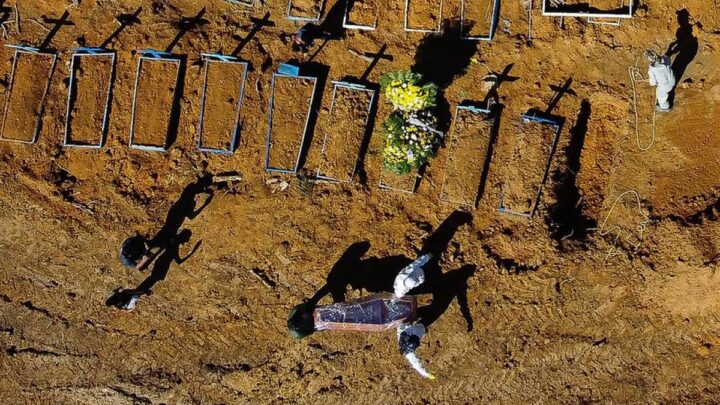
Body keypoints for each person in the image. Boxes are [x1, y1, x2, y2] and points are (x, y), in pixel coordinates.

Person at [287, 254, 436, 379]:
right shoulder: (323, 317)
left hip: (385, 311)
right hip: (386, 312)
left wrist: (425, 258)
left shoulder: (401, 290)